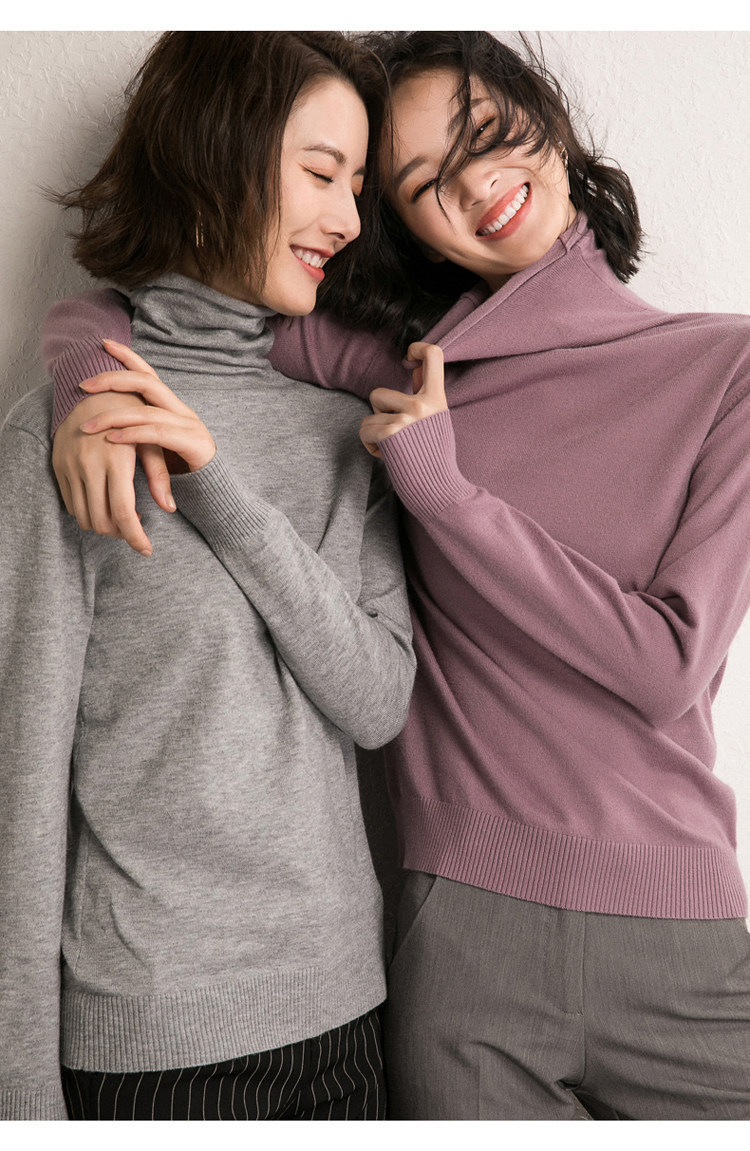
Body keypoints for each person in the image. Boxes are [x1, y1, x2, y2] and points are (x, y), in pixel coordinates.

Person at [39, 30, 750, 1120]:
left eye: (484, 132)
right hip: (458, 941)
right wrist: (85, 378)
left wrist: (447, 492)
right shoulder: (411, 365)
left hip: (682, 938)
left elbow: (666, 667)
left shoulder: (726, 368)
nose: (474, 185)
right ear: (405, 223)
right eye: (421, 183)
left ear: (547, 116)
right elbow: (166, 310)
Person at [0, 30, 417, 1122]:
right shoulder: (69, 431)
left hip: (347, 1022)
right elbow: (19, 782)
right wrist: (19, 1096)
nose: (348, 219)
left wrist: (216, 481)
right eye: (321, 173)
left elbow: (378, 699)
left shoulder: (351, 435)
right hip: (152, 1048)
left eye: (359, 186)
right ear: (214, 156)